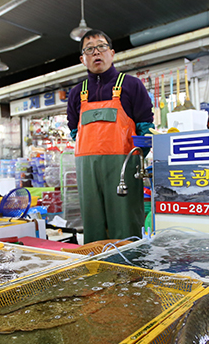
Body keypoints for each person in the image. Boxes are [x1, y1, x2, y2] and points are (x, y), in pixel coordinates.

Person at [66, 29, 154, 244]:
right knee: (92, 224)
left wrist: (135, 160)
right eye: (89, 49)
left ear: (112, 53)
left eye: (101, 46)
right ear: (82, 58)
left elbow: (146, 128)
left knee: (125, 224)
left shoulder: (132, 85)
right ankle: (96, 269)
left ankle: (132, 271)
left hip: (123, 167)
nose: (96, 52)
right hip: (87, 168)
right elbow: (74, 131)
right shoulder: (77, 93)